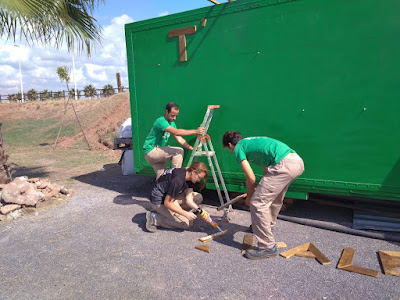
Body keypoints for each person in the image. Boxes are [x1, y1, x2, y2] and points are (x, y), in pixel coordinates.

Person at [222, 131, 304, 260]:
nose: (231, 152)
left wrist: (250, 197)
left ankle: (267, 247)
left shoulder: (238, 148)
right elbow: (266, 170)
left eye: (228, 149)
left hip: (283, 165)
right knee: (274, 198)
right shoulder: (250, 144)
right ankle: (267, 226)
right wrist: (261, 189)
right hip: (296, 162)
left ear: (229, 145)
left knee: (257, 203)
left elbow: (251, 178)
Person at [143, 102, 205, 179]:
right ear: (166, 112)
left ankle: (161, 189)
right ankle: (175, 178)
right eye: (172, 115)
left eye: (176, 116)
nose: (174, 118)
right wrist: (196, 131)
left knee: (162, 178)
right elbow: (176, 132)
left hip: (157, 153)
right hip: (152, 151)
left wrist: (192, 148)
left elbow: (180, 139)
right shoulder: (161, 121)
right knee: (179, 151)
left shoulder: (172, 124)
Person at [145, 161, 208, 232]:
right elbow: (167, 203)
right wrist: (186, 214)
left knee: (198, 197)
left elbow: (189, 199)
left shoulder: (189, 176)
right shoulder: (178, 180)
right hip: (159, 202)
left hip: (171, 197)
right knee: (186, 224)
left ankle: (173, 214)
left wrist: (201, 211)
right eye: (199, 177)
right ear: (193, 172)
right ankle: (155, 218)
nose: (199, 180)